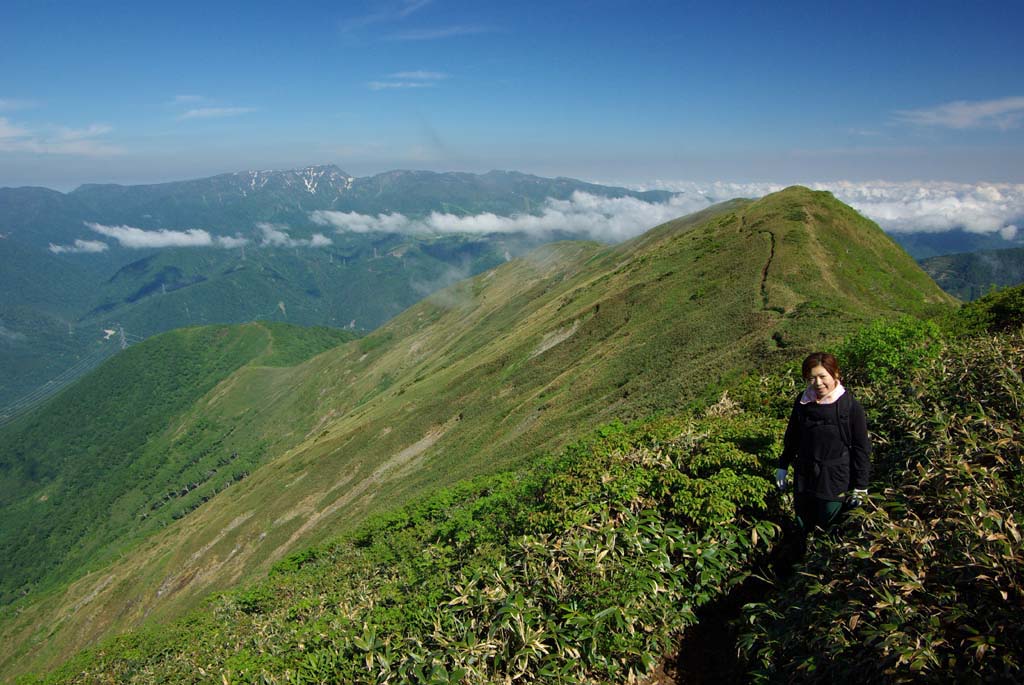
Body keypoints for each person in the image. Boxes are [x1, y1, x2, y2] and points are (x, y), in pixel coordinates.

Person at [775, 352, 871, 533]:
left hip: (834, 479)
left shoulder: (849, 406)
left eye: (822, 376)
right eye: (812, 378)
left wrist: (861, 485)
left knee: (829, 526)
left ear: (835, 374)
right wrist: (783, 465)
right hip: (804, 476)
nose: (818, 383)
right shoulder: (803, 401)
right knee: (803, 523)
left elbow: (861, 448)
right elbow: (793, 435)